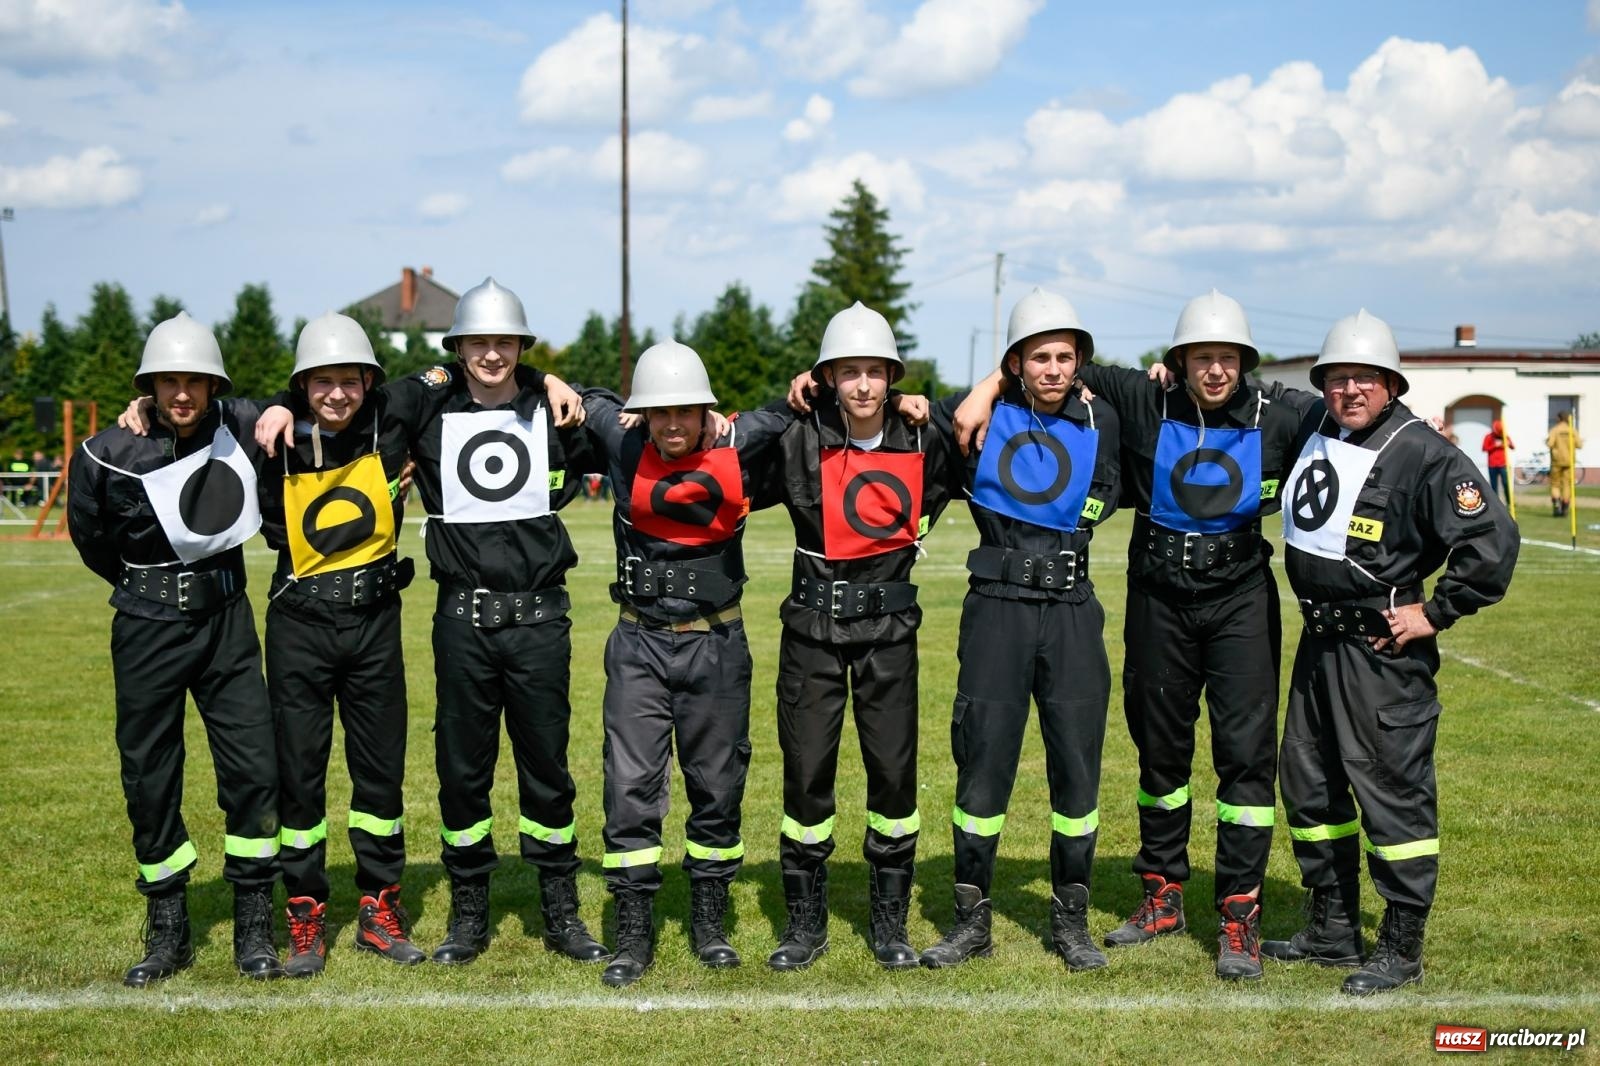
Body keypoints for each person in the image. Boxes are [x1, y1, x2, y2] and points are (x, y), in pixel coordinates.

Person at [954, 289, 1303, 980]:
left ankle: (1238, 914)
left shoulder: (1283, 412)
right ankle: (1162, 893)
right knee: (1161, 756)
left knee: (1244, 759)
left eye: (1226, 358)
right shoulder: (1137, 398)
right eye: (1200, 358)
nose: (1213, 371)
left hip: (1238, 602)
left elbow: (1357, 419)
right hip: (1158, 601)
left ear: (1245, 362)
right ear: (1175, 361)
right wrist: (982, 390)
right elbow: (1042, 356)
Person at [255, 278, 598, 968]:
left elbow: (625, 421)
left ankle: (561, 910)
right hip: (460, 621)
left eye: (507, 343)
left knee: (548, 772)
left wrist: (558, 379)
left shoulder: (550, 406)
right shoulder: (426, 407)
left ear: (522, 348)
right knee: (461, 773)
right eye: (481, 342)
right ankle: (468, 914)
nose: (493, 354)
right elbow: (350, 400)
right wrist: (275, 400)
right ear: (460, 346)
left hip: (539, 621)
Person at [1268, 309, 1517, 994]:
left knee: (1392, 796)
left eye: (1364, 379)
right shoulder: (1318, 424)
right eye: (1337, 378)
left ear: (1391, 383)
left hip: (1380, 656)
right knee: (1310, 786)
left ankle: (1401, 946)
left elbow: (1491, 544)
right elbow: (1252, 392)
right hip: (1317, 645)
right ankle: (1331, 929)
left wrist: (1434, 613)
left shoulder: (1425, 452)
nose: (1349, 390)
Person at [68, 312, 284, 985]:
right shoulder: (105, 452)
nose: (182, 394)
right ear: (149, 386)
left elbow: (312, 398)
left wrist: (277, 405)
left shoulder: (241, 426)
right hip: (145, 625)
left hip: (227, 625)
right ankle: (168, 929)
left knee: (253, 770)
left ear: (213, 384)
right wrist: (154, 592)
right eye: (169, 382)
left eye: (195, 381)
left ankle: (254, 925)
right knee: (150, 776)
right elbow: (92, 540)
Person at [576, 341, 793, 987]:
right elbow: (577, 399)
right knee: (630, 787)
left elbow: (797, 407)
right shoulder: (622, 444)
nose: (673, 424)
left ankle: (709, 920)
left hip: (717, 643)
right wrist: (559, 382)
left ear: (708, 412)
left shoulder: (740, 442)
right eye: (660, 412)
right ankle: (634, 930)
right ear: (642, 415)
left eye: (686, 412)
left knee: (718, 785)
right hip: (639, 641)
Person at [918, 289, 1120, 972]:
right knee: (983, 769)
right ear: (1016, 364)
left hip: (1070, 612)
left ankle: (1072, 921)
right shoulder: (979, 418)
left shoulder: (1105, 422)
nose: (1055, 369)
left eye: (1066, 356)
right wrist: (979, 391)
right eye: (1040, 357)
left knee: (1077, 774)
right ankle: (971, 924)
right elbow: (918, 427)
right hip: (996, 611)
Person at [762, 302, 954, 971]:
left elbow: (990, 425)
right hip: (812, 630)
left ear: (893, 377)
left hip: (889, 634)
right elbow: (730, 449)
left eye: (876, 372)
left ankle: (889, 921)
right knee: (807, 772)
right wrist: (787, 400)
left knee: (894, 777)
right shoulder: (799, 435)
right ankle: (804, 922)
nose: (864, 385)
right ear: (828, 378)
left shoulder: (924, 438)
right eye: (849, 372)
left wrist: (940, 406)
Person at [1546, 411, 1582, 516]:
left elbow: (1550, 444)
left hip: (1556, 461)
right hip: (1569, 461)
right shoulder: (1572, 431)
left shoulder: (1555, 430)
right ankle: (1565, 507)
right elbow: (1579, 445)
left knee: (1555, 484)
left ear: (1559, 418)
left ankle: (1557, 505)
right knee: (1567, 485)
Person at [1480, 420, 1512, 506]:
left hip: (1503, 465)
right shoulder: (1489, 437)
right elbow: (1484, 448)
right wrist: (1495, 446)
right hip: (1492, 465)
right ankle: (1496, 504)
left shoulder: (1505, 437)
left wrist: (1509, 444)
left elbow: (1512, 447)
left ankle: (1509, 502)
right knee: (1494, 485)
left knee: (1506, 483)